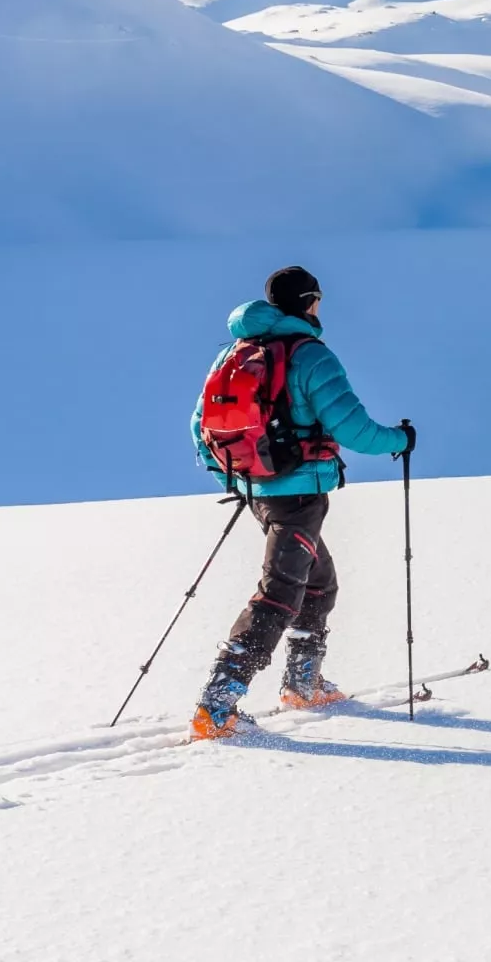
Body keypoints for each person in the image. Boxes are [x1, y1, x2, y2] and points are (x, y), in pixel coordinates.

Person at [189, 265, 412, 740]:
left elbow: (199, 425)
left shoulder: (235, 351)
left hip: (257, 490)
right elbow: (354, 429)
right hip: (298, 493)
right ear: (309, 301)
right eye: (318, 299)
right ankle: (218, 703)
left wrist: (239, 472)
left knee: (319, 582)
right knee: (280, 592)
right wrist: (400, 438)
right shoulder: (310, 356)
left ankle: (301, 682)